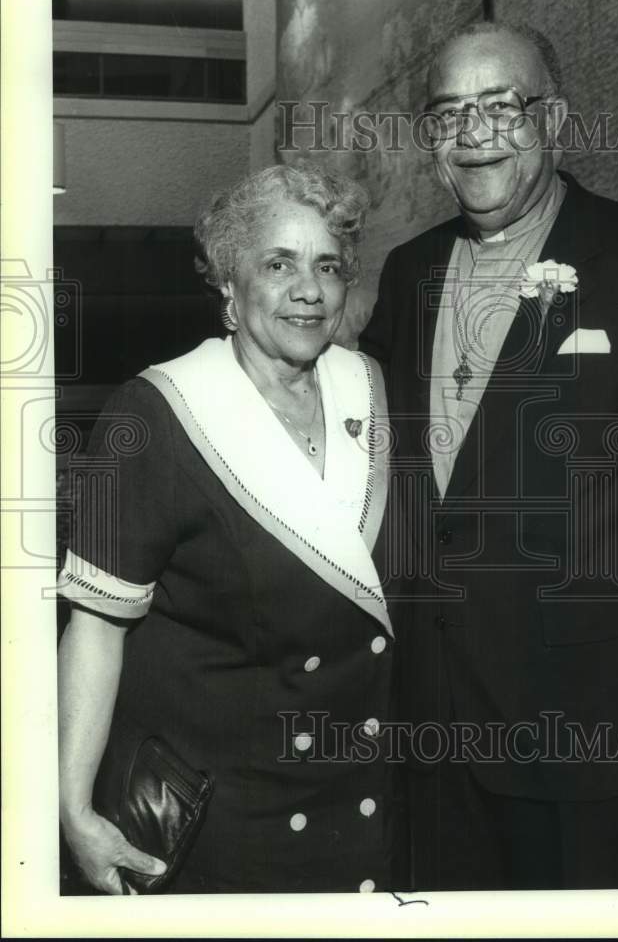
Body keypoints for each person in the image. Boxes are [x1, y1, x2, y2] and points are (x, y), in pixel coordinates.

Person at [360, 22, 618, 890]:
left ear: (555, 119)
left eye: (501, 106)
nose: (474, 132)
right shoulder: (405, 272)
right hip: (432, 718)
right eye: (450, 112)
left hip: (584, 718)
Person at [57, 163, 393, 894]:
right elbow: (95, 626)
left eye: (327, 266)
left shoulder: (367, 389)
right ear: (230, 290)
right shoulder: (153, 414)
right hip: (226, 816)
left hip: (351, 795)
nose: (309, 288)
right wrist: (73, 806)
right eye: (278, 264)